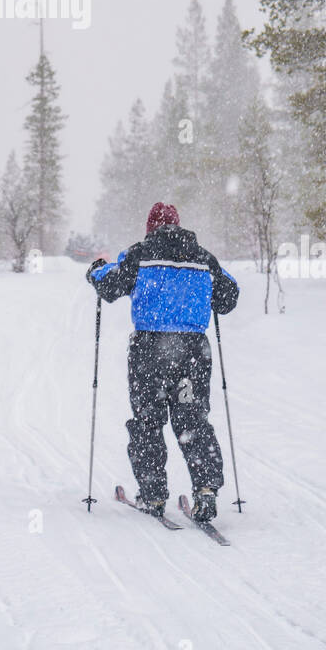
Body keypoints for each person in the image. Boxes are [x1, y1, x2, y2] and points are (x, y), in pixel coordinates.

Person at [86, 202, 239, 522]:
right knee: (192, 420)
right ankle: (206, 489)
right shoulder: (204, 258)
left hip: (150, 351)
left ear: (150, 228)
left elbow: (110, 285)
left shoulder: (139, 255)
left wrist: (96, 268)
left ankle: (153, 494)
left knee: (148, 421)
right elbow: (228, 297)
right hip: (194, 353)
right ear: (178, 226)